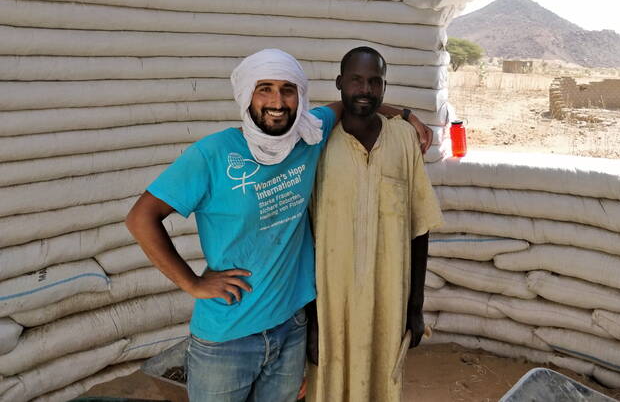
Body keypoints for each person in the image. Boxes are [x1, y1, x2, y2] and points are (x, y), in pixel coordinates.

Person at [124, 48, 431, 402]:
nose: (277, 101)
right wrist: (192, 282)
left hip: (290, 330)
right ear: (246, 95)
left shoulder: (308, 136)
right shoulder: (214, 153)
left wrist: (407, 115)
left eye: (287, 90)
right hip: (228, 338)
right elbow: (141, 217)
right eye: (264, 88)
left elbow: (355, 101)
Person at [306, 47, 444, 402]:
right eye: (356, 80)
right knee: (329, 385)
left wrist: (415, 307)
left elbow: (419, 229)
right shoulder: (317, 144)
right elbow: (303, 234)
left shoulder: (403, 140)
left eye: (374, 81)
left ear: (384, 87)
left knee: (383, 386)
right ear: (339, 83)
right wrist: (311, 321)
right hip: (331, 301)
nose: (365, 90)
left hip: (389, 298)